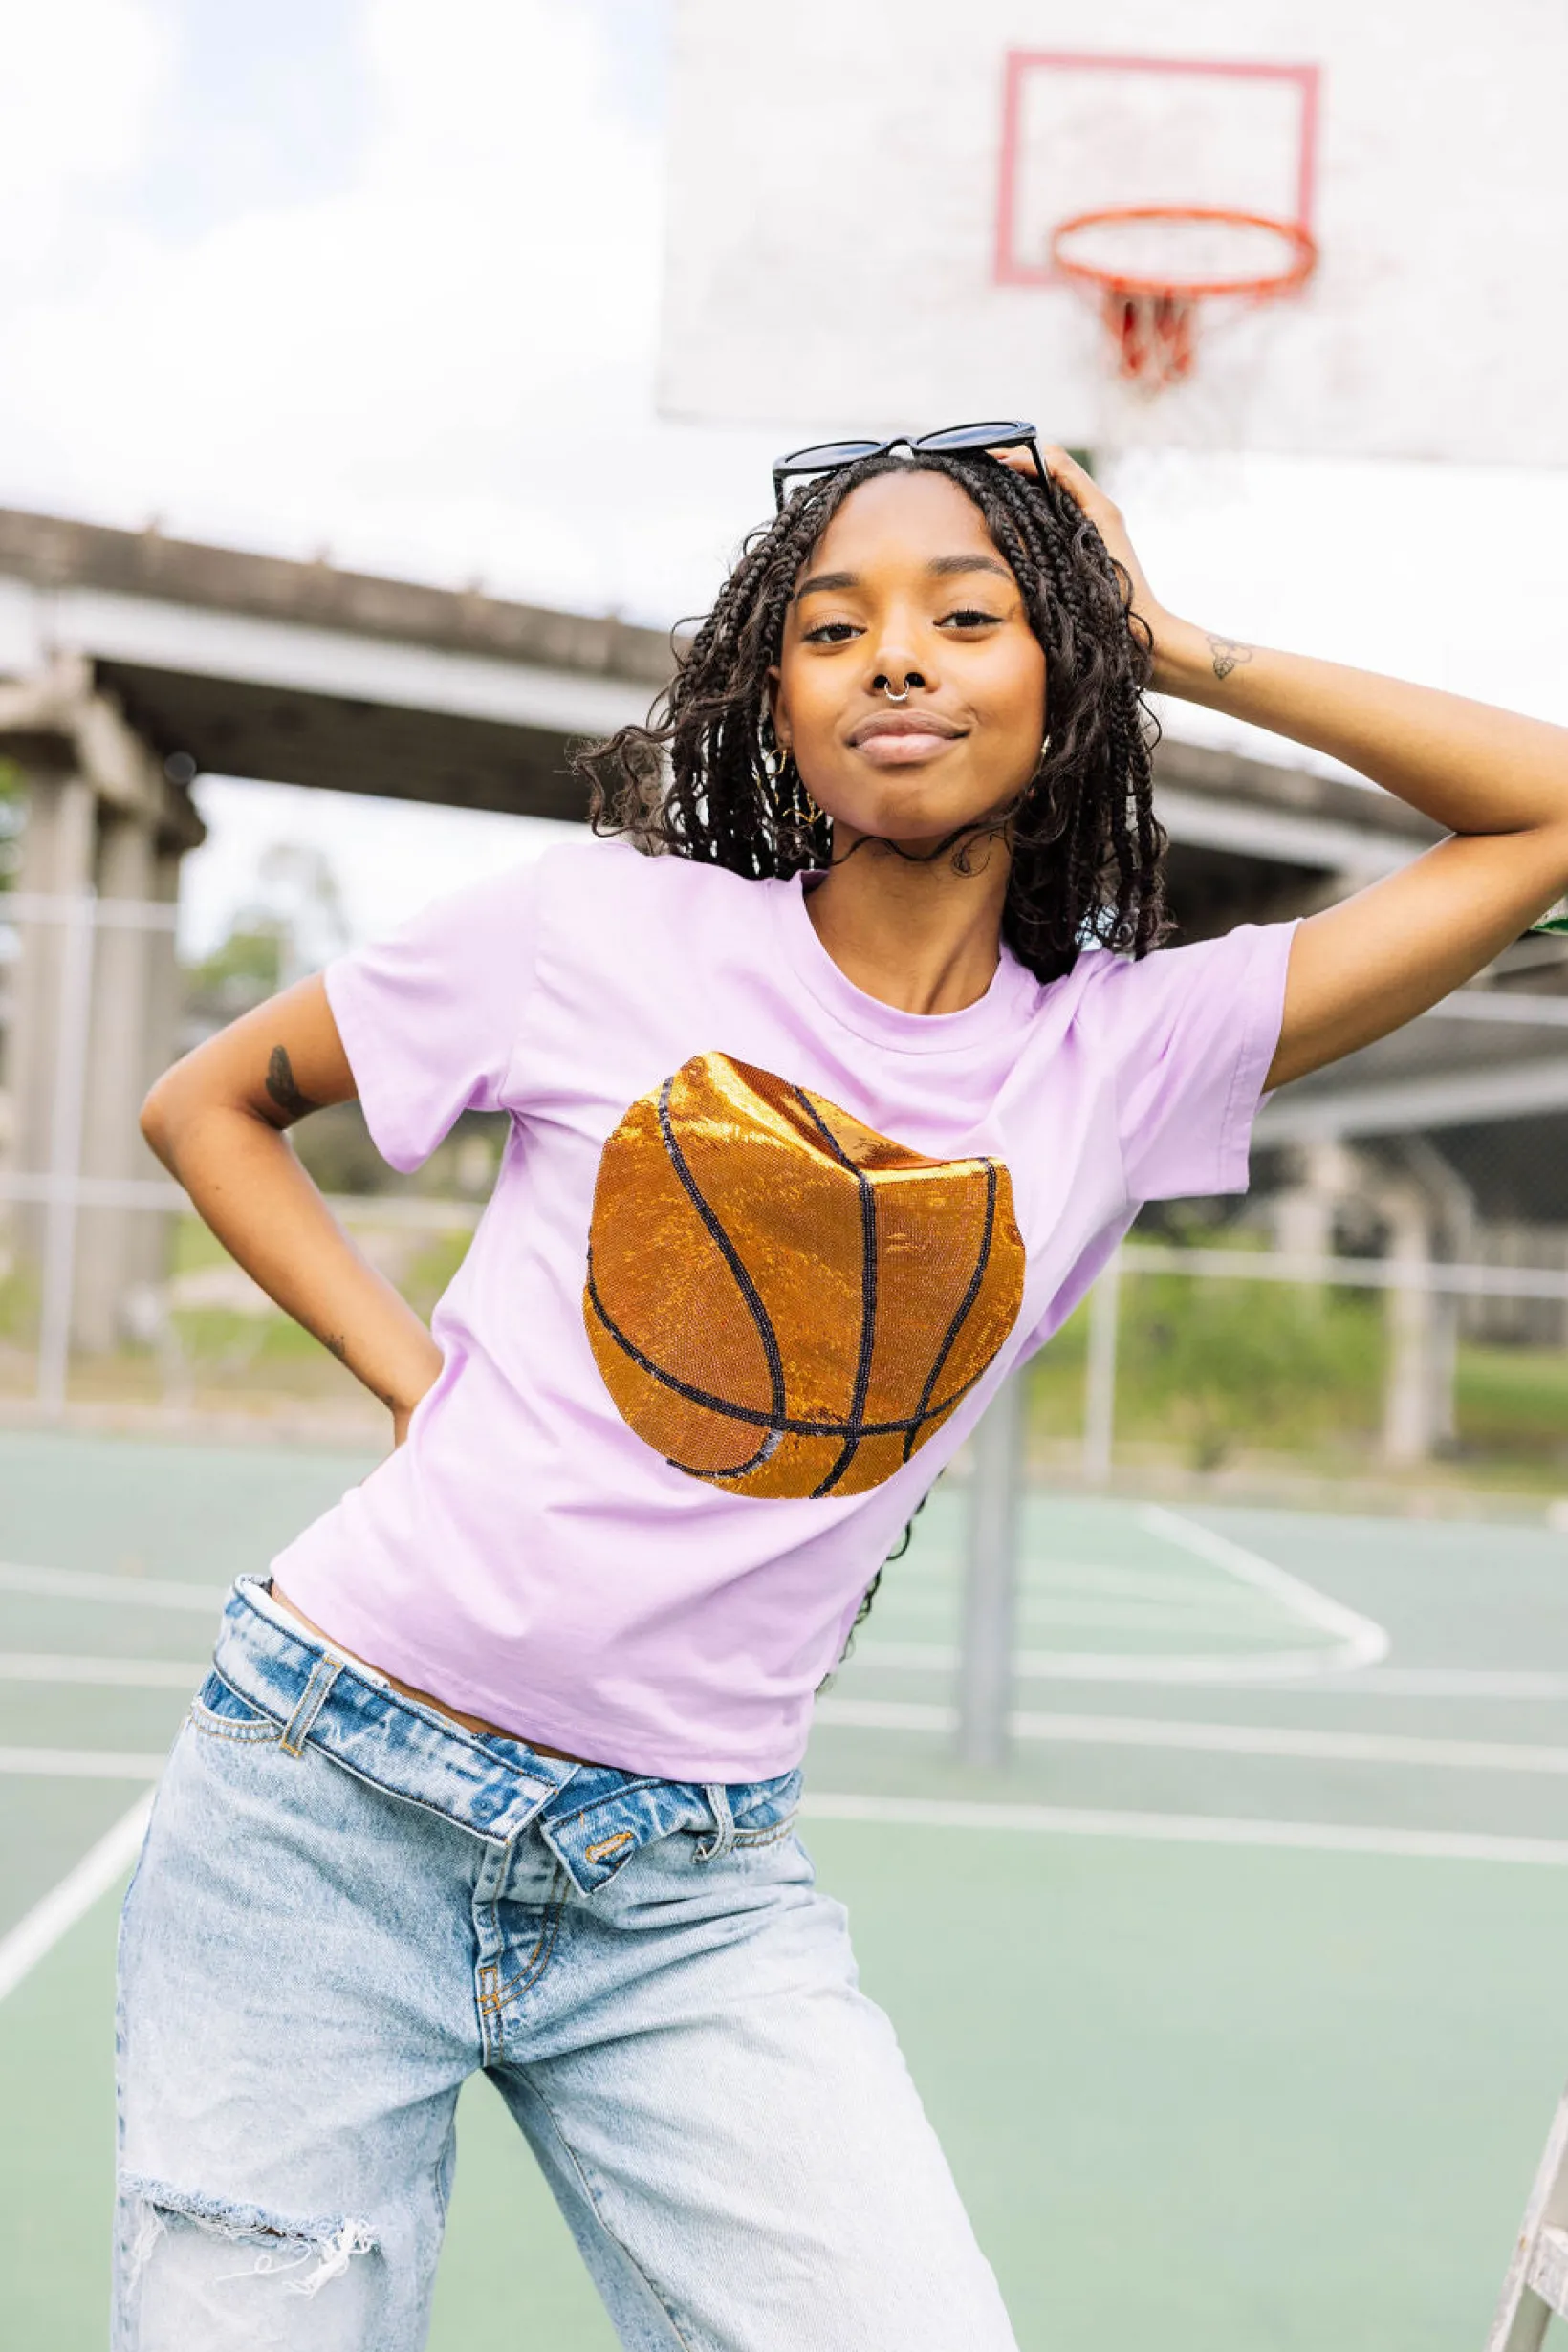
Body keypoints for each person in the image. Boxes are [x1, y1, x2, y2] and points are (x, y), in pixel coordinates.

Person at [121, 434, 1568, 2351]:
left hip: (685, 1891)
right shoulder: (589, 933)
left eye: (969, 618)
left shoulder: (1124, 1057)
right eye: (834, 628)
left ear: (1062, 682)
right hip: (324, 1792)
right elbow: (206, 1102)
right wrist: (419, 1381)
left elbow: (1541, 820)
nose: (898, 657)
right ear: (773, 698)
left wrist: (1181, 646)